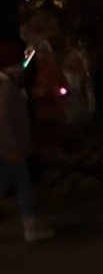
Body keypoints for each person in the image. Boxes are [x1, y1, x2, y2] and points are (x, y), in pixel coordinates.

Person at [0, 44, 54, 243]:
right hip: (10, 148)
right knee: (22, 185)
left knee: (14, 184)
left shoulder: (9, 87)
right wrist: (12, 146)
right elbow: (4, 119)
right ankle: (30, 230)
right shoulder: (6, 89)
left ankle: (30, 229)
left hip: (9, 147)